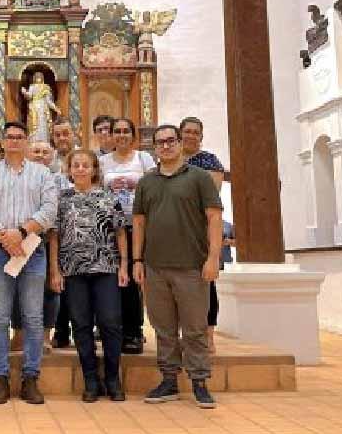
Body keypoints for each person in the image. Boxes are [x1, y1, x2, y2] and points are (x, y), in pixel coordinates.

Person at [133, 124, 223, 409]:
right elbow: (139, 223)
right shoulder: (147, 182)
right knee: (164, 328)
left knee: (195, 328)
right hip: (155, 267)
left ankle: (199, 382)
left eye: (171, 140)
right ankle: (169, 380)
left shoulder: (199, 178)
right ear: (155, 148)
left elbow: (214, 218)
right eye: (160, 142)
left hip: (192, 267)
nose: (166, 146)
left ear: (180, 144)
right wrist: (137, 260)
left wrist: (212, 258)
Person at [0, 121, 59, 405]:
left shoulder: (42, 173)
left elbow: (49, 210)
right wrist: (5, 237)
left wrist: (21, 233)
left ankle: (30, 378)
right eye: (9, 137)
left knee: (33, 317)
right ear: (2, 141)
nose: (13, 141)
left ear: (26, 142)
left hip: (32, 251)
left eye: (19, 137)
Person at [48, 149, 127, 402]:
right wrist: (55, 270)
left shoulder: (108, 196)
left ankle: (113, 378)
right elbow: (54, 237)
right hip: (73, 270)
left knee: (110, 322)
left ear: (94, 169)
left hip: (106, 268)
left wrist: (124, 265)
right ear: (69, 170)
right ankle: (91, 380)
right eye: (76, 165)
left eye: (86, 165)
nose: (81, 169)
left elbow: (120, 232)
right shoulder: (62, 199)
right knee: (80, 324)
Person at [100, 117, 155, 353]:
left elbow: (154, 189)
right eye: (117, 131)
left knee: (133, 278)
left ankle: (134, 331)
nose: (121, 135)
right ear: (111, 135)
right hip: (110, 228)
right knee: (112, 280)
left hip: (137, 226)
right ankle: (114, 330)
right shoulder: (102, 162)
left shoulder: (144, 159)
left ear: (132, 135)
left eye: (126, 131)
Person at [10, 140, 62, 354]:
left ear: (52, 155)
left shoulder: (59, 179)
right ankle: (19, 334)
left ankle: (45, 336)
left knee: (50, 287)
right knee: (15, 286)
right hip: (19, 238)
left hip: (49, 237)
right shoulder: (15, 176)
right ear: (26, 153)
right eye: (36, 151)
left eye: (45, 152)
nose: (40, 155)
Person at [180, 116, 226, 352]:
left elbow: (213, 191)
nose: (190, 135)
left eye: (195, 132)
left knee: (206, 283)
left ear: (201, 136)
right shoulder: (171, 159)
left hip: (202, 229)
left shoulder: (209, 160)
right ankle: (186, 334)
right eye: (186, 131)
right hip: (177, 231)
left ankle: (208, 335)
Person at [49, 117, 77, 348]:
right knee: (57, 280)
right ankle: (59, 329)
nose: (62, 138)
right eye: (57, 135)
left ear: (74, 133)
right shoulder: (48, 161)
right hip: (55, 230)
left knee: (77, 283)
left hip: (80, 231)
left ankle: (80, 328)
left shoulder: (85, 158)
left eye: (65, 133)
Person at [21, 71, 59, 143]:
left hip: (43, 108)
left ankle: (44, 141)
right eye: (37, 76)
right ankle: (33, 141)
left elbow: (49, 101)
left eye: (40, 76)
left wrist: (56, 108)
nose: (38, 78)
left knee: (43, 124)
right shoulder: (32, 87)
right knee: (34, 125)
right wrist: (25, 92)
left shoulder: (46, 87)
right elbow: (29, 96)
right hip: (34, 107)